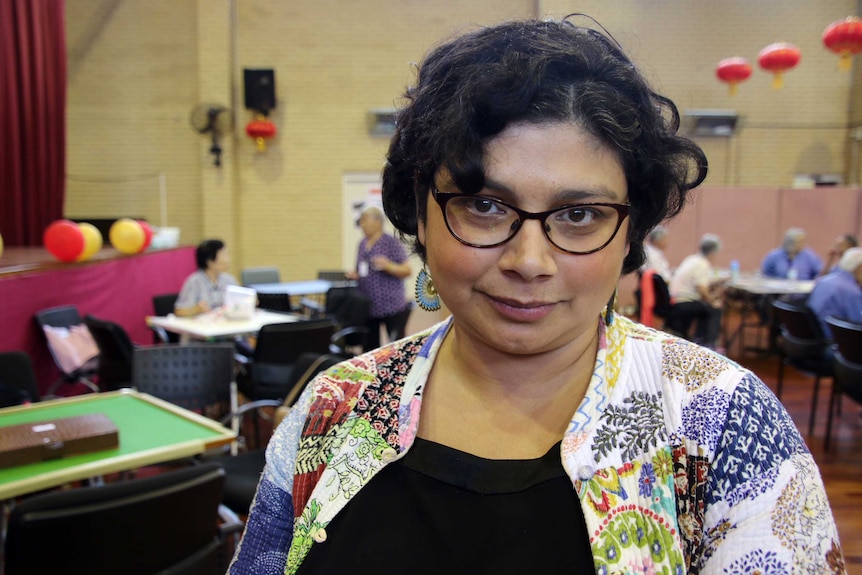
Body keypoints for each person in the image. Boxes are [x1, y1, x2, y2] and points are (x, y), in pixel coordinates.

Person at [229, 18, 844, 575]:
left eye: (579, 213)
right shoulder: (336, 408)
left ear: (631, 229)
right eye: (486, 205)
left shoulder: (720, 422)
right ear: (420, 210)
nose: (529, 261)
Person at [346, 205, 413, 348]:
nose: (362, 225)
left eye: (365, 221)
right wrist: (355, 275)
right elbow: (360, 270)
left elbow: (407, 270)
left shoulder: (391, 243)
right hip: (368, 306)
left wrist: (389, 266)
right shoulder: (362, 244)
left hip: (391, 305)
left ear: (377, 222)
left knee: (397, 346)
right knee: (370, 347)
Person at [668, 233, 725, 349]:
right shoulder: (702, 264)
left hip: (674, 299)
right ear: (713, 252)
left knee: (706, 307)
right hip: (684, 302)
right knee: (714, 309)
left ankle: (700, 339)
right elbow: (702, 290)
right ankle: (708, 344)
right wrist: (713, 301)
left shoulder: (692, 259)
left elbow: (700, 281)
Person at [807, 247, 862, 339]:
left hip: (815, 336)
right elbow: (858, 324)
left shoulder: (822, 281)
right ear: (859, 267)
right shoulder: (852, 292)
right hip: (837, 341)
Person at [174, 239, 238, 317]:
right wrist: (196, 309)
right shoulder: (194, 282)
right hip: (203, 326)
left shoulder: (229, 280)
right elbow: (179, 311)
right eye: (224, 255)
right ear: (210, 261)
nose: (228, 259)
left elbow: (238, 304)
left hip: (227, 325)